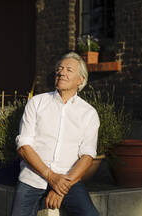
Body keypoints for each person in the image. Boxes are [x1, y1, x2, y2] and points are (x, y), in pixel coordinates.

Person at [11, 52, 100, 216]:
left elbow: (87, 156)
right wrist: (50, 176)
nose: (61, 72)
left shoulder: (89, 113)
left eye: (68, 69)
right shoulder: (37, 103)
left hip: (69, 180)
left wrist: (61, 188)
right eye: (60, 69)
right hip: (33, 178)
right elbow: (23, 146)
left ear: (80, 80)